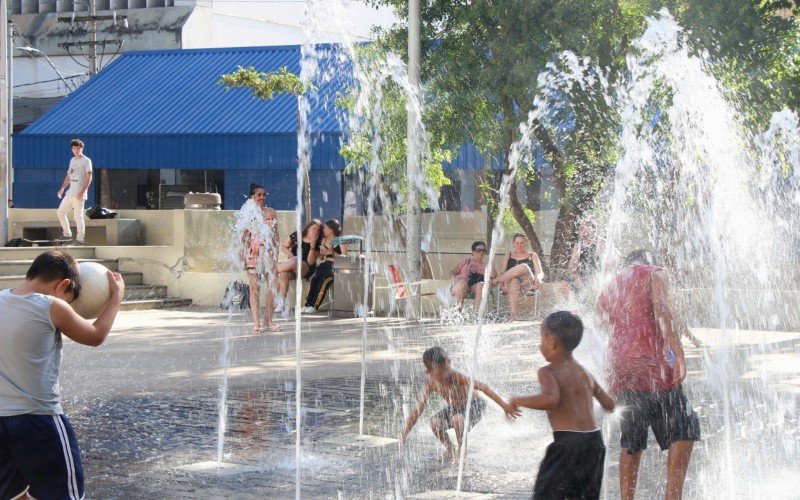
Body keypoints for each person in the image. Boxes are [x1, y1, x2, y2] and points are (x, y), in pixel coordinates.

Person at [0, 250, 124, 500]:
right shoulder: (51, 305)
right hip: (39, 418)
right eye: (70, 300)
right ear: (63, 285)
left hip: (2, 418)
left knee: (14, 494)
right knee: (67, 494)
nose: (68, 305)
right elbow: (95, 335)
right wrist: (116, 298)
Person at [596, 249, 700, 500]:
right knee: (684, 426)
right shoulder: (654, 273)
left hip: (620, 366)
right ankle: (672, 496)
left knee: (631, 438)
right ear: (649, 261)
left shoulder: (610, 285)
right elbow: (662, 310)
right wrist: (679, 353)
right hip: (651, 362)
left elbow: (601, 326)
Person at [509, 311, 615, 499]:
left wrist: (518, 400)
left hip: (568, 445)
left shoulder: (548, 371)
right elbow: (609, 404)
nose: (539, 343)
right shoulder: (583, 372)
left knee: (545, 495)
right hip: (594, 444)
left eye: (541, 337)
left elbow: (552, 399)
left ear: (552, 342)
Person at [401, 346, 519, 463]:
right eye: (440, 375)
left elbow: (483, 387)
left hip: (475, 405)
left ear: (449, 362)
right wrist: (405, 432)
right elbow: (418, 410)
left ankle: (462, 451)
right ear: (429, 373)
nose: (446, 376)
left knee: (457, 419)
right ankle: (450, 449)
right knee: (434, 422)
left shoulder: (457, 376)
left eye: (447, 370)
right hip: (455, 408)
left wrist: (504, 406)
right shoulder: (430, 385)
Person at [240, 184, 280, 333]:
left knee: (273, 286)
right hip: (253, 253)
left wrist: (276, 250)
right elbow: (243, 235)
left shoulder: (271, 212)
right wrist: (242, 253)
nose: (262, 197)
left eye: (264, 194)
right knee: (254, 289)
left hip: (268, 253)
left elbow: (276, 234)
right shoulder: (248, 213)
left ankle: (268, 320)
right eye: (259, 195)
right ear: (253, 196)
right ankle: (256, 323)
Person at [492, 233, 545, 321]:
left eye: (522, 243)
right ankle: (513, 316)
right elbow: (502, 271)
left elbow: (540, 272)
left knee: (524, 266)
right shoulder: (508, 255)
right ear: (514, 244)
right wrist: (502, 284)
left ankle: (495, 281)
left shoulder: (532, 255)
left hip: (527, 283)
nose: (519, 245)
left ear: (525, 243)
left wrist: (538, 279)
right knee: (514, 280)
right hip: (511, 285)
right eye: (517, 243)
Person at [276, 219, 322, 316]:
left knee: (296, 261)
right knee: (284, 273)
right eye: (314, 229)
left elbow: (310, 262)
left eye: (318, 230)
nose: (316, 232)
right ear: (308, 228)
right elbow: (284, 246)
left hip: (305, 268)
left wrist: (312, 246)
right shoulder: (298, 235)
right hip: (292, 265)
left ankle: (273, 271)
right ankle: (281, 303)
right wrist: (291, 255)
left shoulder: (317, 243)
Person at [301, 219, 347, 314]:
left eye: (325, 228)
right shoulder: (324, 240)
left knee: (324, 281)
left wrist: (332, 252)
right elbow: (321, 258)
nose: (323, 230)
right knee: (314, 279)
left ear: (331, 229)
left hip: (336, 267)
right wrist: (322, 253)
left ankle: (315, 306)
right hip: (325, 264)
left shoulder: (341, 241)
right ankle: (308, 304)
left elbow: (344, 259)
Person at [55, 139, 93, 245]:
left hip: (79, 194)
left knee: (78, 216)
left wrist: (82, 192)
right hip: (70, 193)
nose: (76, 150)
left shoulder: (86, 160)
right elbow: (69, 175)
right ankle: (67, 234)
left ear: (82, 148)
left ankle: (80, 240)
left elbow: (89, 177)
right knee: (60, 212)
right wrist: (62, 188)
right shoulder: (72, 160)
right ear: (72, 149)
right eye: (74, 148)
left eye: (78, 148)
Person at [450, 240, 496, 308]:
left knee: (481, 285)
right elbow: (452, 272)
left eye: (483, 250)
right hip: (461, 284)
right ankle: (458, 313)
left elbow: (494, 275)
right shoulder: (466, 261)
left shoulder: (486, 265)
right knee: (462, 284)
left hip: (474, 287)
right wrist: (454, 280)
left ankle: (476, 315)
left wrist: (489, 263)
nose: (481, 252)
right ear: (473, 251)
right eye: (478, 250)